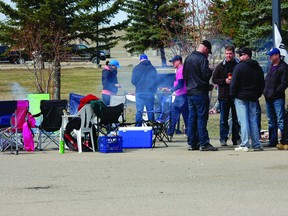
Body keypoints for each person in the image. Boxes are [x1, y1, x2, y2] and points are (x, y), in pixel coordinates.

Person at [183, 40, 218, 151]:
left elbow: (185, 76)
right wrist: (211, 70)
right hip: (200, 93)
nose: (208, 54)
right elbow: (204, 75)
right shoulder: (202, 59)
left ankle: (192, 143)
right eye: (208, 52)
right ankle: (204, 143)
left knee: (192, 117)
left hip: (190, 92)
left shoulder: (188, 58)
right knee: (202, 118)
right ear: (205, 49)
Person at [230, 47, 265, 152]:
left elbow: (234, 83)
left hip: (241, 97)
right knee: (253, 120)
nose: (239, 57)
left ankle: (244, 143)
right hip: (253, 97)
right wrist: (257, 94)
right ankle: (256, 144)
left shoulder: (239, 67)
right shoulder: (258, 68)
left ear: (247, 55)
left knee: (243, 121)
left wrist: (232, 95)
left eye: (241, 55)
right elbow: (262, 84)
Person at [212, 45, 240, 146]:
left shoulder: (238, 65)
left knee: (236, 118)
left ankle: (236, 138)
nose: (228, 56)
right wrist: (224, 81)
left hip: (235, 95)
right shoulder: (220, 66)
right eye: (227, 53)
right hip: (224, 96)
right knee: (223, 119)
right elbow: (214, 79)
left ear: (233, 53)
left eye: (230, 54)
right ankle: (223, 138)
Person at [263, 48, 288, 149]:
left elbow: (284, 83)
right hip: (268, 98)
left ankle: (284, 140)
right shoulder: (270, 66)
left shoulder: (284, 67)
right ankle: (272, 140)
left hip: (278, 98)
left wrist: (276, 92)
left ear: (277, 55)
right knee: (271, 120)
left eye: (271, 55)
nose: (270, 57)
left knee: (281, 120)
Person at [162, 55, 189, 139]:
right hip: (181, 95)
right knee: (185, 115)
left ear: (179, 61)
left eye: (174, 61)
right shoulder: (179, 70)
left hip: (182, 96)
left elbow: (180, 84)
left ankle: (170, 132)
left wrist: (171, 90)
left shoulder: (181, 70)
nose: (173, 63)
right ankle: (188, 133)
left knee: (175, 112)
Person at [131, 54, 158, 126]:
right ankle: (152, 126)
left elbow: (133, 80)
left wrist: (138, 86)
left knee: (139, 110)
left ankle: (138, 126)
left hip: (139, 92)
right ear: (147, 59)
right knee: (150, 110)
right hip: (149, 92)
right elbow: (156, 81)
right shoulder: (152, 68)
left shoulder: (136, 68)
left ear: (140, 60)